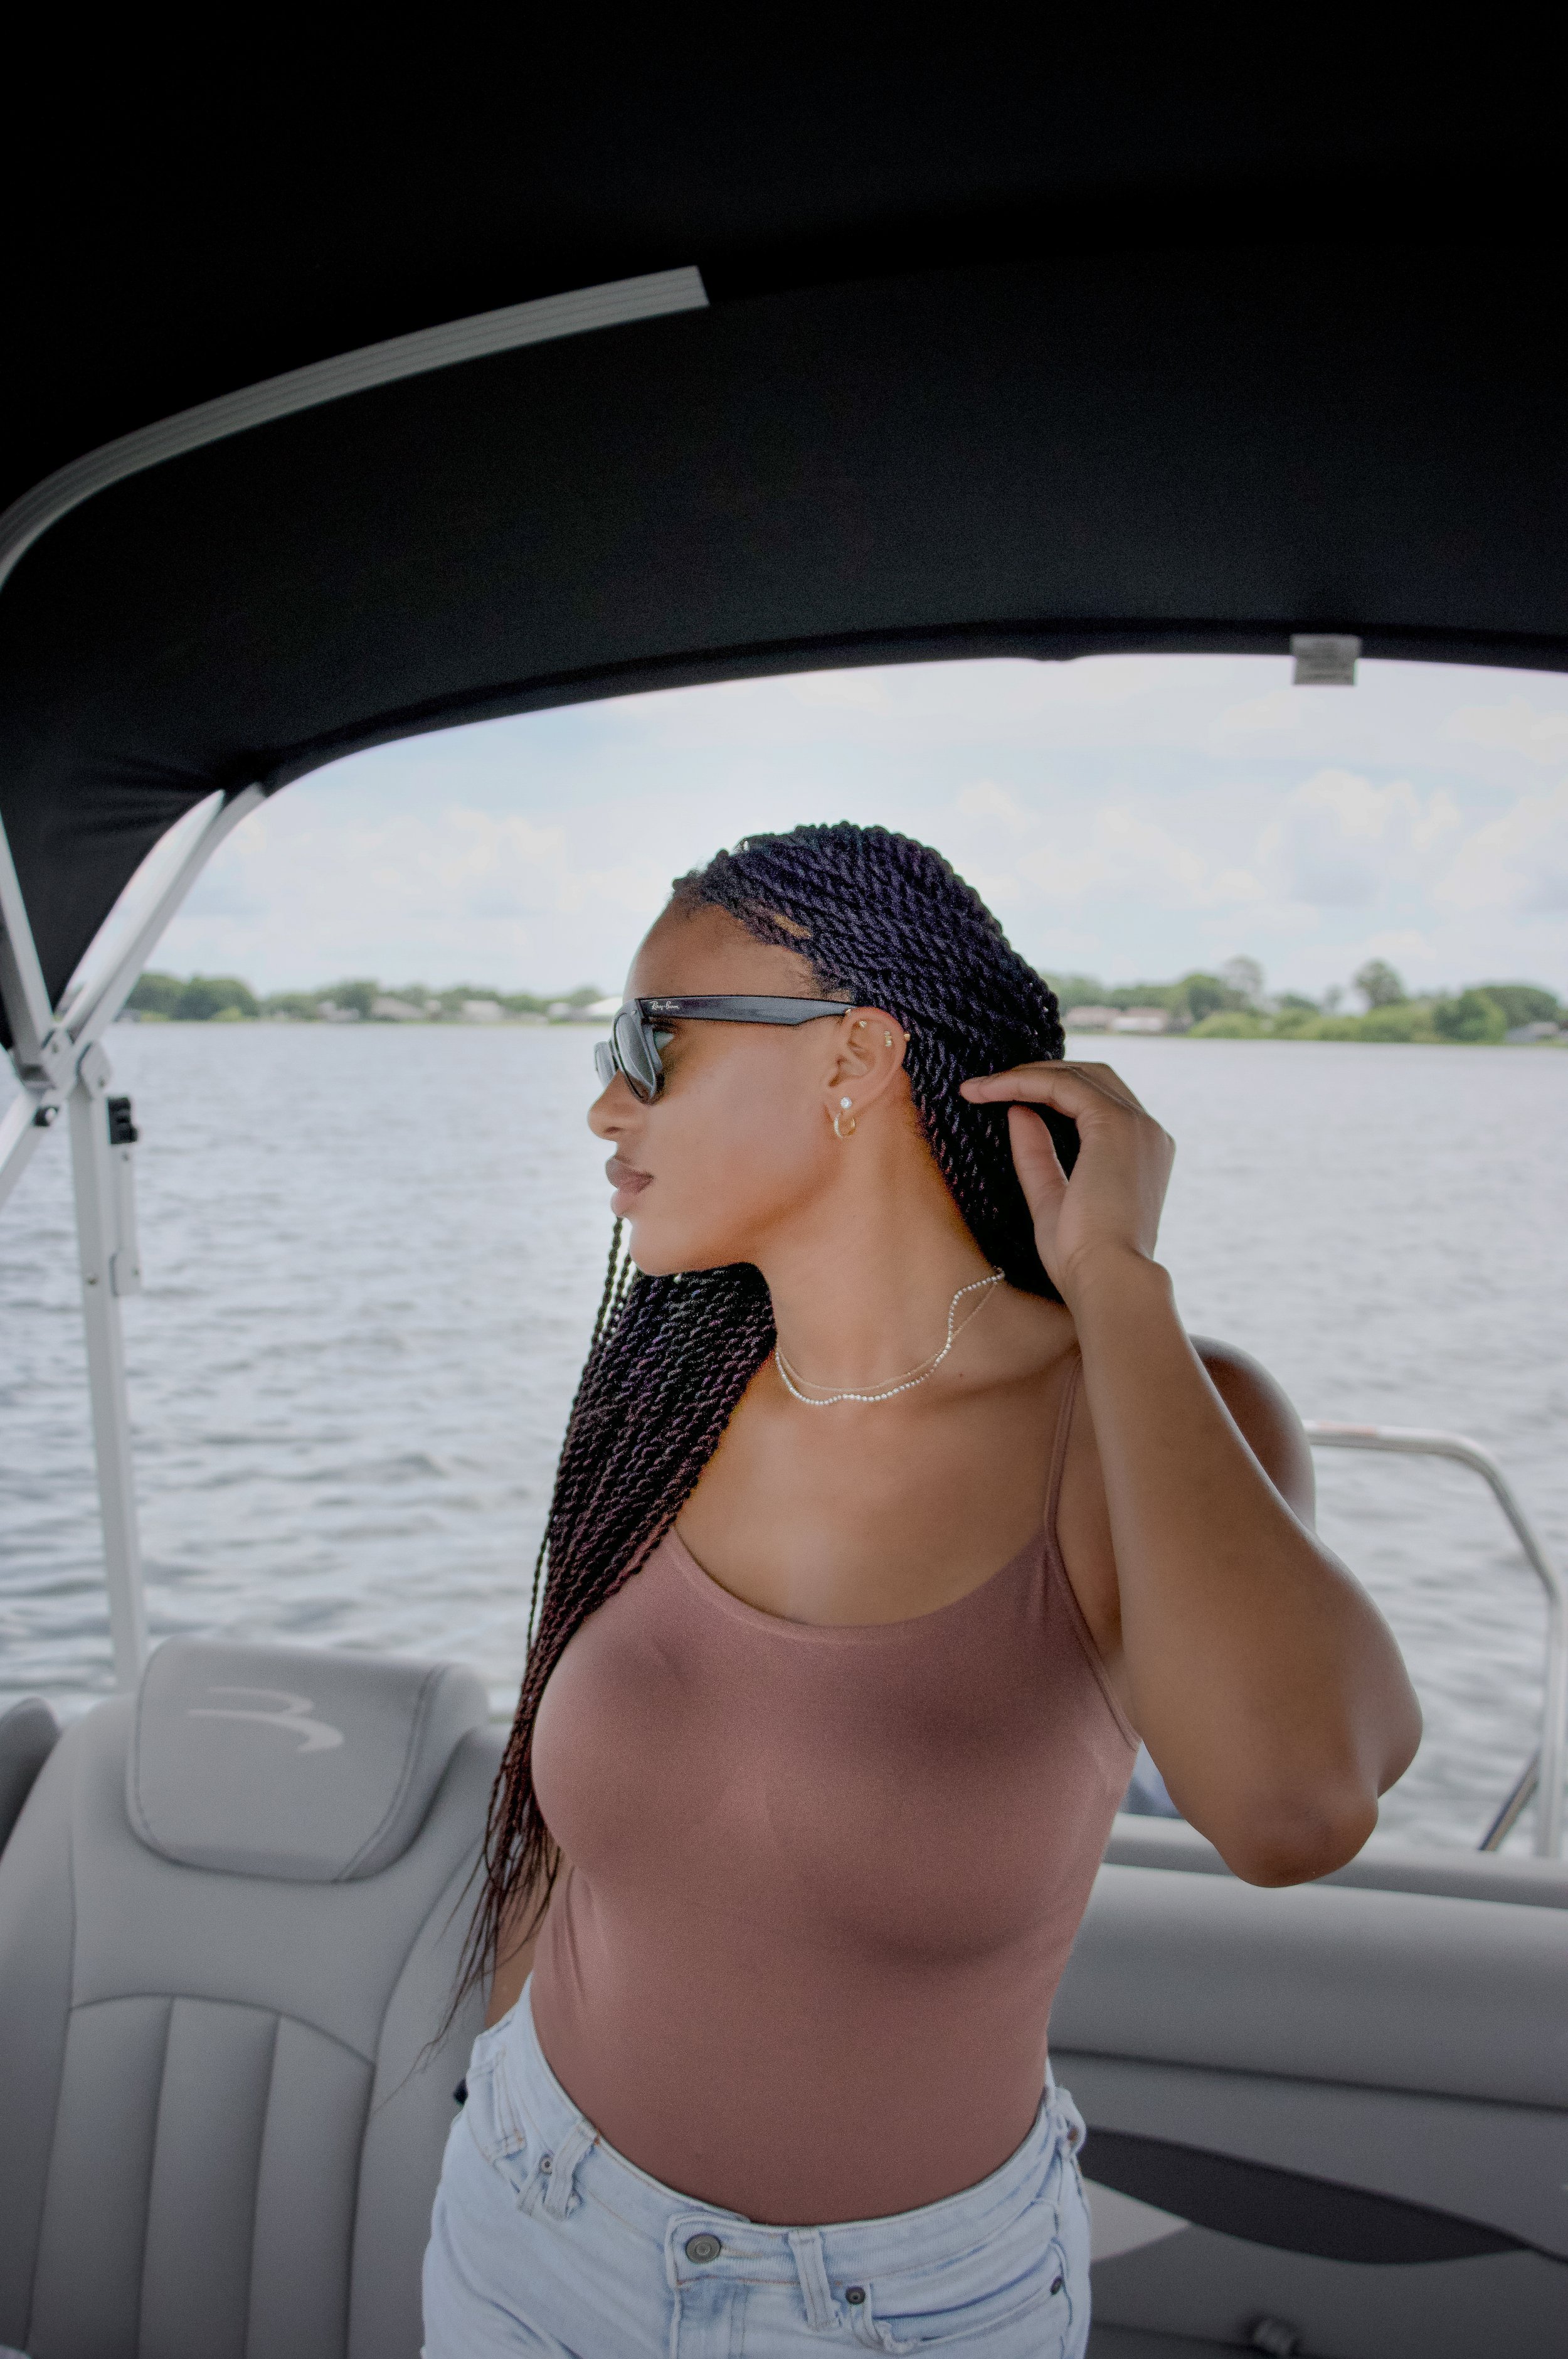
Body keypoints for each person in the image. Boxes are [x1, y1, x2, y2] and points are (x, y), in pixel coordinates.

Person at [423, 821, 1420, 2358]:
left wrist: (1118, 1287)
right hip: (526, 2225)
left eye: (649, 1038)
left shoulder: (1142, 1424)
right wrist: (496, 2078)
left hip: (902, 2317)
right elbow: (559, 1835)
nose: (602, 1104)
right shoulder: (662, 1395)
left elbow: (1297, 1806)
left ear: (855, 1052)